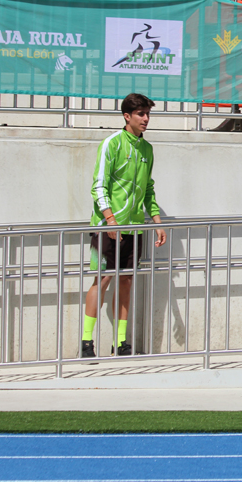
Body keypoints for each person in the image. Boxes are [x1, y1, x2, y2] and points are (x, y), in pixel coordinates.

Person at [81, 93, 166, 358]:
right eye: (141, 114)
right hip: (108, 226)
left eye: (148, 114)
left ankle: (120, 343)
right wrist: (110, 219)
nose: (146, 119)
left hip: (134, 228)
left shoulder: (147, 149)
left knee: (127, 281)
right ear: (127, 116)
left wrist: (156, 221)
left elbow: (148, 189)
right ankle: (86, 343)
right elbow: (98, 185)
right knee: (102, 280)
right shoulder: (112, 143)